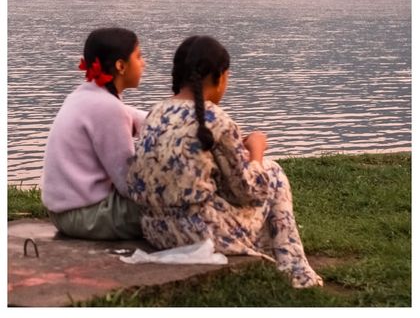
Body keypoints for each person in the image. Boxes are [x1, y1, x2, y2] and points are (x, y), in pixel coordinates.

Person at [127, 35, 323, 288]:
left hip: (156, 230)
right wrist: (256, 151)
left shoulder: (156, 112)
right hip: (199, 235)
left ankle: (273, 263)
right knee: (272, 173)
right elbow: (250, 191)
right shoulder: (216, 120)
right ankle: (296, 272)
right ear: (219, 76)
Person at [41, 27, 147, 240]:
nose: (143, 63)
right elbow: (128, 183)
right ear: (121, 66)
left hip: (64, 212)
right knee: (171, 207)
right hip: (85, 215)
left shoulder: (85, 95)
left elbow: (136, 116)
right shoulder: (107, 107)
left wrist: (172, 120)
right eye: (138, 56)